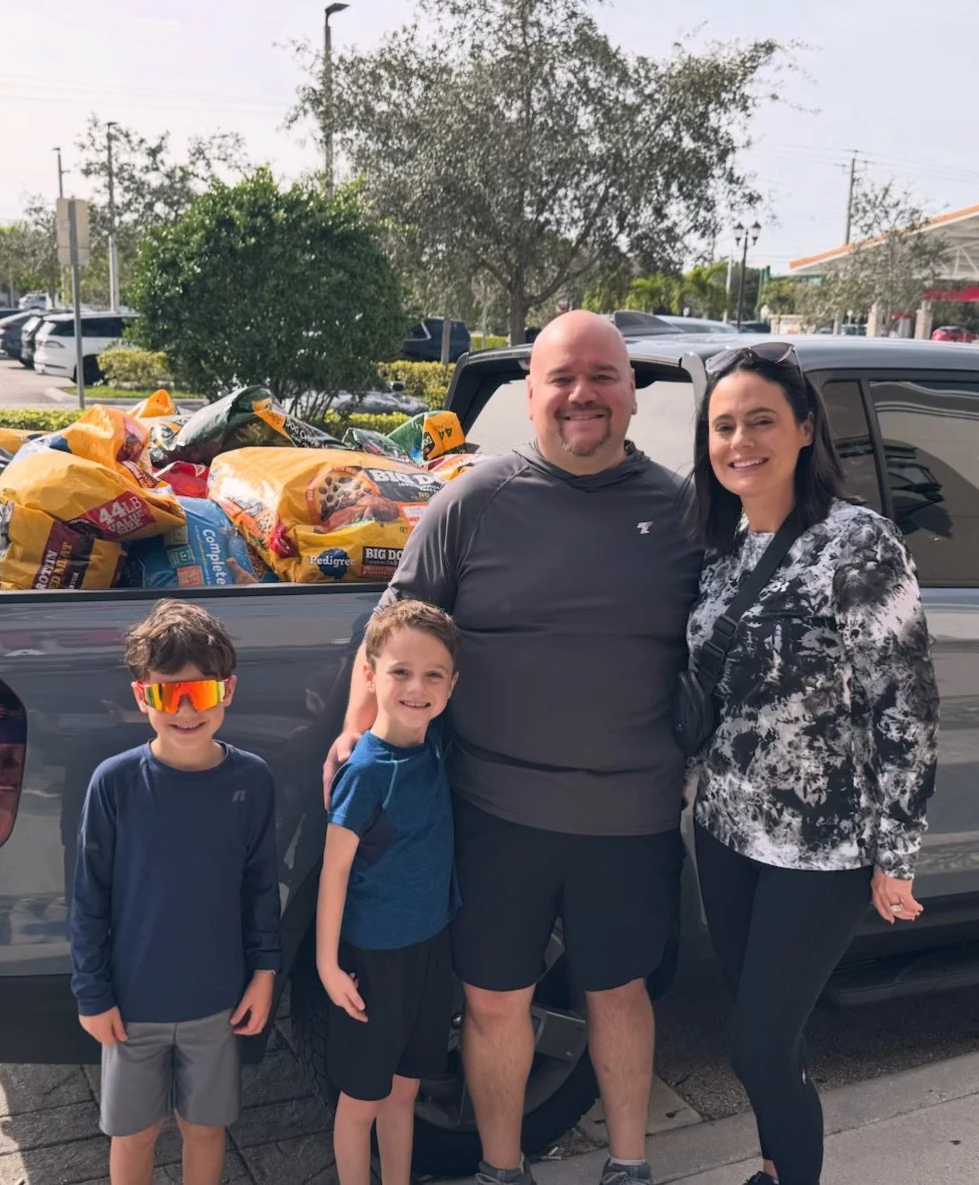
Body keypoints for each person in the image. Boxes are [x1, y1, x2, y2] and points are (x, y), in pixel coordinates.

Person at [324, 310, 702, 1185]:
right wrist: (355, 730)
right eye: (561, 378)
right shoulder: (475, 502)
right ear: (531, 396)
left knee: (619, 993)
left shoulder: (684, 512)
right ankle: (503, 1171)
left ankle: (630, 1165)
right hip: (495, 814)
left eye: (603, 376)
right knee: (496, 1000)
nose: (582, 395)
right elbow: (392, 630)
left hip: (633, 813)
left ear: (632, 394)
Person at [684, 343, 939, 1185]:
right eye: (723, 426)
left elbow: (903, 700)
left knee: (754, 1043)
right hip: (725, 829)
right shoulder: (722, 552)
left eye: (760, 420)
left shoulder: (857, 542)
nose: (739, 440)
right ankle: (774, 1162)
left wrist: (895, 853)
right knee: (775, 1040)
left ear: (803, 429)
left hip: (822, 846)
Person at [69, 599, 281, 1185]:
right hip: (132, 1007)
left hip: (217, 1001)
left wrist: (264, 973)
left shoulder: (252, 780)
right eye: (167, 695)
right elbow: (89, 897)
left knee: (205, 1130)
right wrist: (92, 993)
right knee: (134, 1135)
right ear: (143, 698)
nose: (186, 710)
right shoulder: (113, 784)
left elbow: (261, 885)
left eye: (202, 692)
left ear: (227, 691)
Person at [318, 599, 461, 1185]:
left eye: (433, 675)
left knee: (405, 1092)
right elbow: (335, 872)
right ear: (371, 676)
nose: (416, 688)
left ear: (452, 686)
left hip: (430, 951)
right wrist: (328, 964)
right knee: (361, 1102)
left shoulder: (432, 748)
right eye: (400, 672)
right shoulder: (366, 770)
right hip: (373, 963)